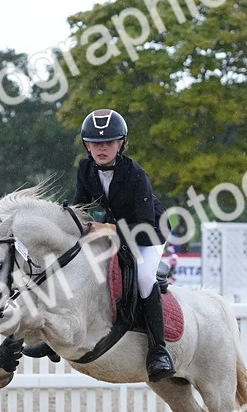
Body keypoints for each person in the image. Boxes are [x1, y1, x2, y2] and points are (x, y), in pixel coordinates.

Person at [74, 108, 174, 381]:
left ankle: (159, 351)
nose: (102, 148)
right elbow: (79, 207)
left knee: (143, 277)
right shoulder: (85, 169)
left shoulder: (136, 174)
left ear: (121, 144)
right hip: (115, 227)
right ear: (87, 145)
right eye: (96, 143)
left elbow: (144, 228)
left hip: (149, 231)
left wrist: (105, 228)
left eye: (109, 142)